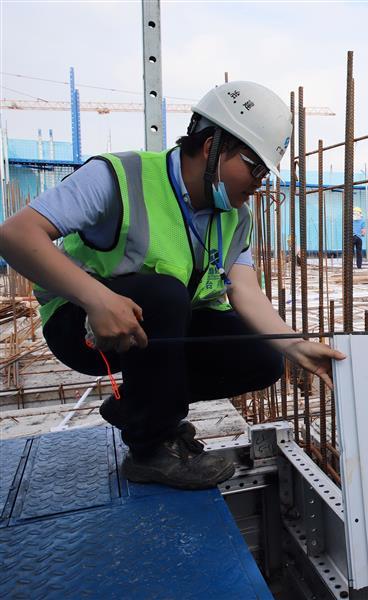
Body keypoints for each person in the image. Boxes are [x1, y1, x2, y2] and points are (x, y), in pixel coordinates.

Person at [0, 81, 345, 490]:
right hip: (85, 325)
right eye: (255, 167)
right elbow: (15, 235)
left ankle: (142, 407)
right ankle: (150, 449)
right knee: (166, 293)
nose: (259, 182)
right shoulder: (120, 176)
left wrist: (295, 345)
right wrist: (95, 297)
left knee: (261, 357)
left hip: (159, 332)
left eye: (265, 172)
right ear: (211, 145)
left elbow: (246, 291)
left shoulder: (235, 217)